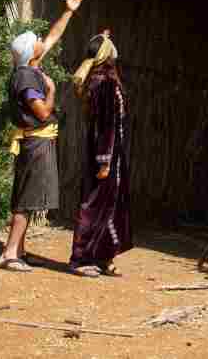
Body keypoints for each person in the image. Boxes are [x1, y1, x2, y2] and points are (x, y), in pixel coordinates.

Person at [0, 0, 86, 271]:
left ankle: (19, 250)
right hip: (35, 143)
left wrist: (69, 11)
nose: (40, 41)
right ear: (29, 53)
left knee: (28, 195)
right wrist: (50, 89)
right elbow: (43, 111)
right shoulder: (26, 77)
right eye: (35, 41)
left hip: (37, 142)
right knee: (27, 198)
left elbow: (52, 36)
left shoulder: (30, 66)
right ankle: (10, 253)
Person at [68, 31, 133, 277]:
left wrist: (101, 38)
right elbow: (105, 125)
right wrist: (104, 160)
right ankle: (81, 258)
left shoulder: (99, 79)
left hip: (109, 155)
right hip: (105, 155)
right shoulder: (104, 82)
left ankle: (103, 257)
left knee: (110, 206)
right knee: (94, 205)